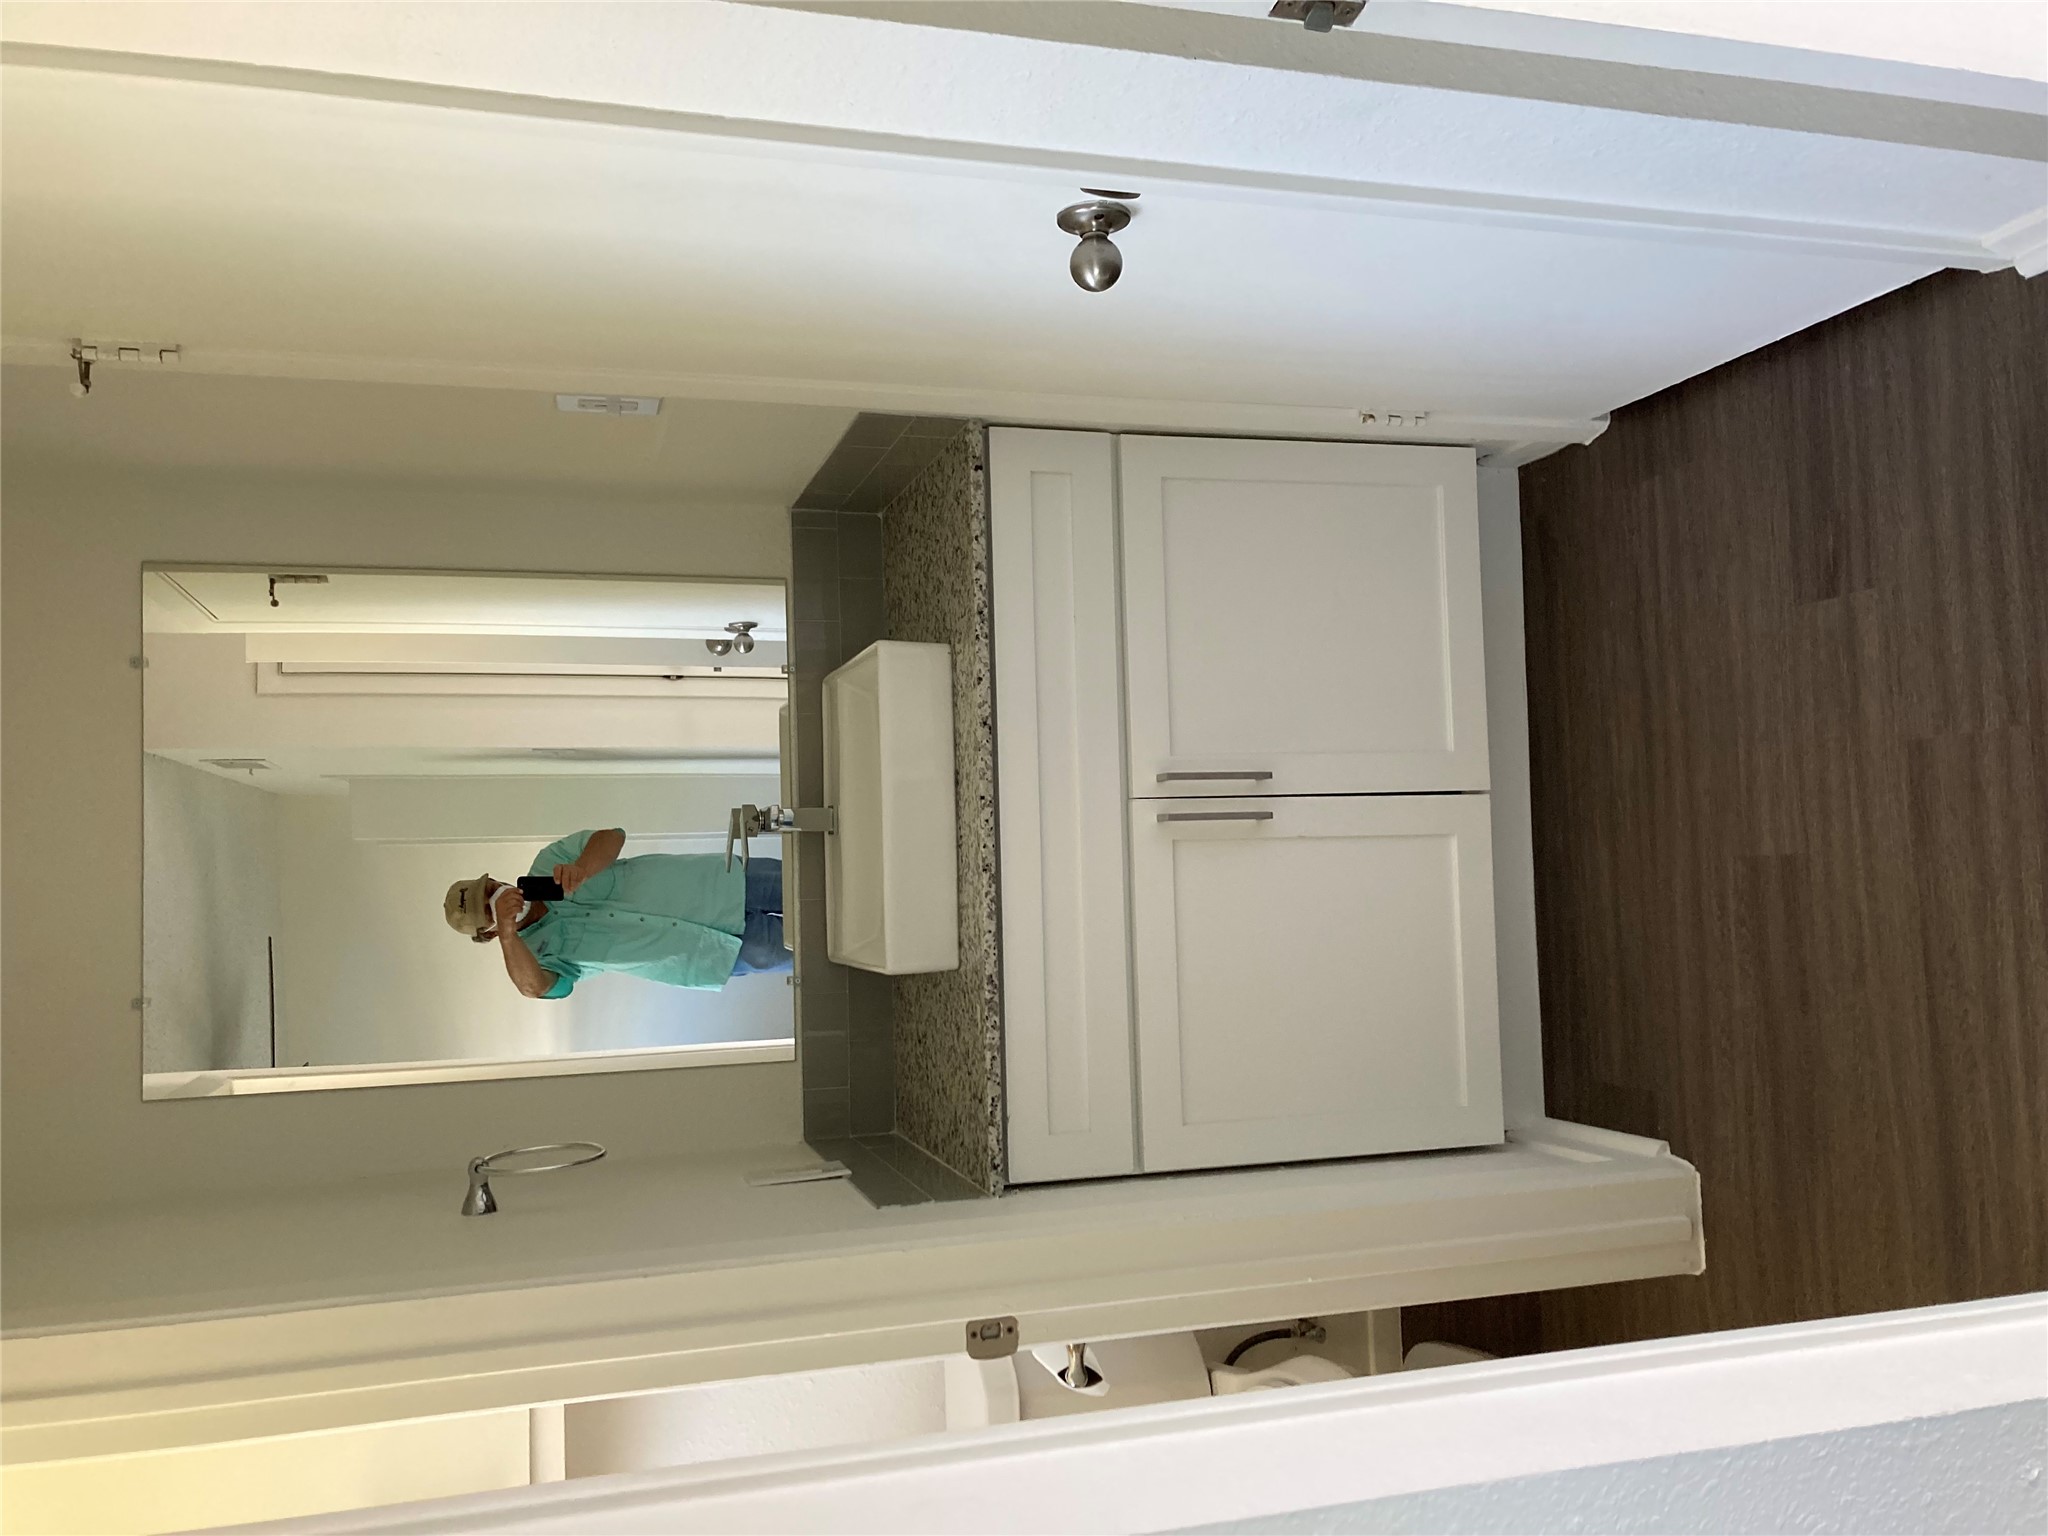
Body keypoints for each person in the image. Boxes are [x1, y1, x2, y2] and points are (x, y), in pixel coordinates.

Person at [441, 827, 789, 999]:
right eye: (488, 911)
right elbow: (537, 990)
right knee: (814, 947)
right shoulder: (534, 958)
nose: (498, 899)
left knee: (820, 886)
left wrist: (583, 867)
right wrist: (509, 934)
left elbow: (612, 836)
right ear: (487, 933)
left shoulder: (548, 864)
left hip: (721, 882)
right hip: (705, 953)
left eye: (491, 890)